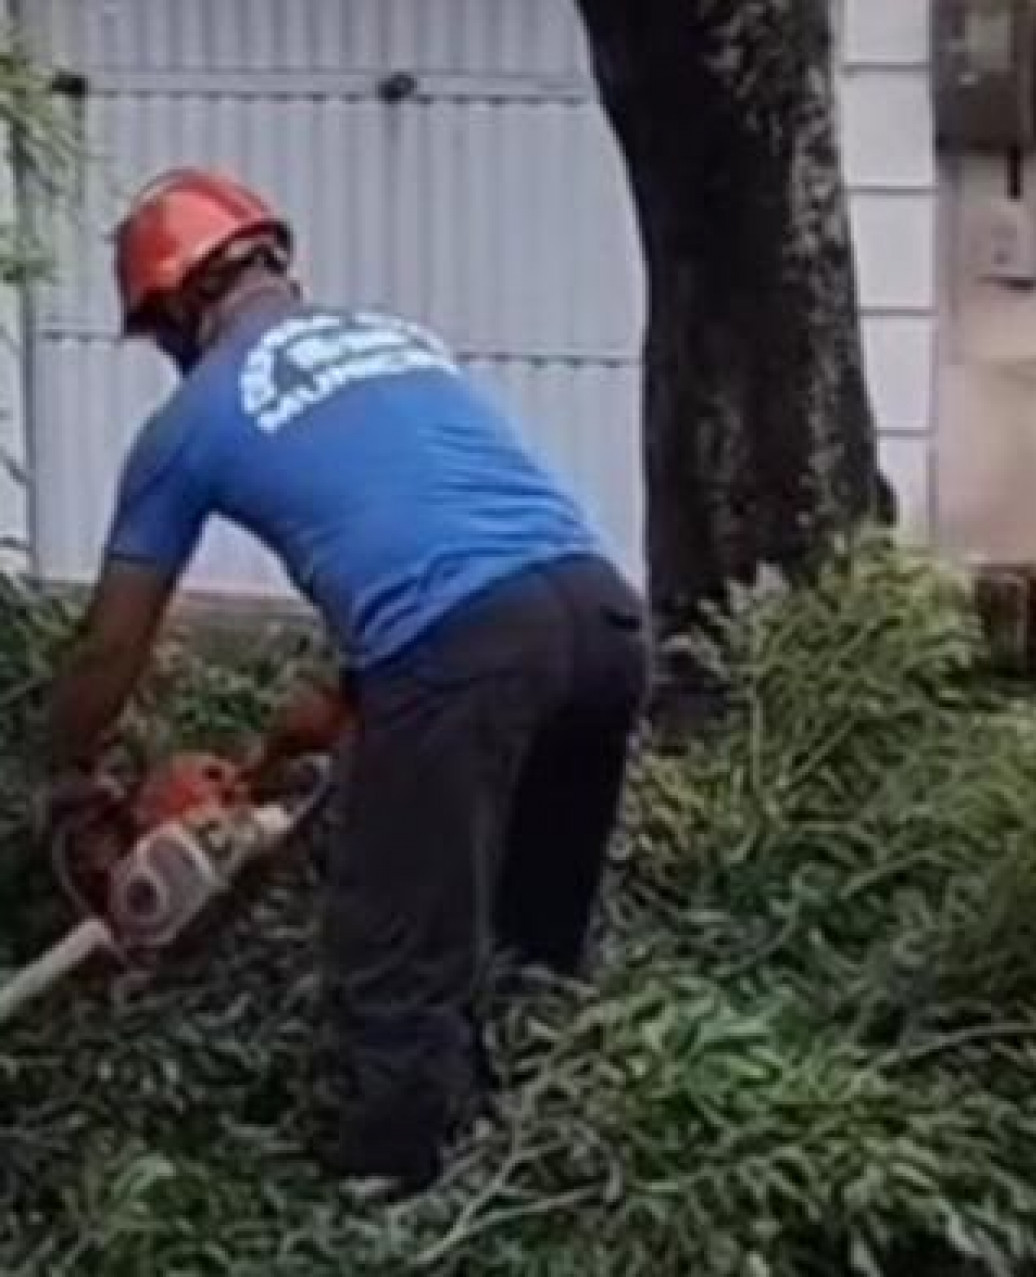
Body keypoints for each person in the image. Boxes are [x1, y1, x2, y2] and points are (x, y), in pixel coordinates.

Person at [39, 167, 653, 1194]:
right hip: (602, 623)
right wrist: (302, 730)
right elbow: (446, 537)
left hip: (463, 650)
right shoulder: (396, 339)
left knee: (395, 965)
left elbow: (110, 649)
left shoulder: (190, 422)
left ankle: (395, 1206)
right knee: (534, 941)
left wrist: (63, 771)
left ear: (181, 304)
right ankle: (558, 1173)